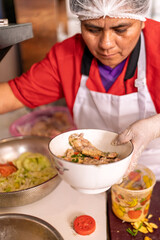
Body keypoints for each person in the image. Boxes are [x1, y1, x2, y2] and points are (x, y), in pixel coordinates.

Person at [0, 0, 160, 179]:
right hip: (89, 172)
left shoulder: (158, 45)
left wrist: (155, 126)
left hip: (154, 170)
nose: (106, 44)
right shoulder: (67, 55)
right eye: (93, 29)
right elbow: (9, 96)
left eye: (120, 29)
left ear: (142, 20)